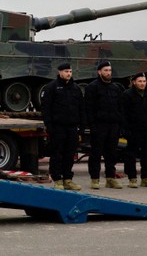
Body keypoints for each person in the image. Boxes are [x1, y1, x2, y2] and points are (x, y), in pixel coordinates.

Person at [41, 62, 85, 191]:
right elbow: (46, 109)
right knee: (57, 154)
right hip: (58, 127)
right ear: (59, 72)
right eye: (66, 72)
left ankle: (67, 179)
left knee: (70, 154)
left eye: (70, 72)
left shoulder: (76, 88)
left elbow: (81, 108)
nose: (69, 74)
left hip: (72, 127)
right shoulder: (51, 87)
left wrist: (81, 126)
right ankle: (57, 179)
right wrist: (49, 126)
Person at [85, 61, 124, 189]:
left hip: (113, 125)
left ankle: (110, 178)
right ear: (99, 72)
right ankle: (95, 179)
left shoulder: (116, 88)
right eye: (105, 70)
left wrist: (119, 124)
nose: (108, 73)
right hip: (99, 126)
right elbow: (88, 108)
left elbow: (120, 107)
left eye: (109, 70)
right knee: (96, 154)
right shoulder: (92, 87)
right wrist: (91, 126)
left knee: (111, 154)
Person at [121, 72, 147, 188]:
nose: (142, 84)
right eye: (140, 81)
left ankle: (146, 178)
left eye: (144, 81)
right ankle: (132, 178)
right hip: (133, 130)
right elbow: (123, 114)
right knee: (131, 155)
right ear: (134, 82)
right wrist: (125, 129)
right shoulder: (127, 95)